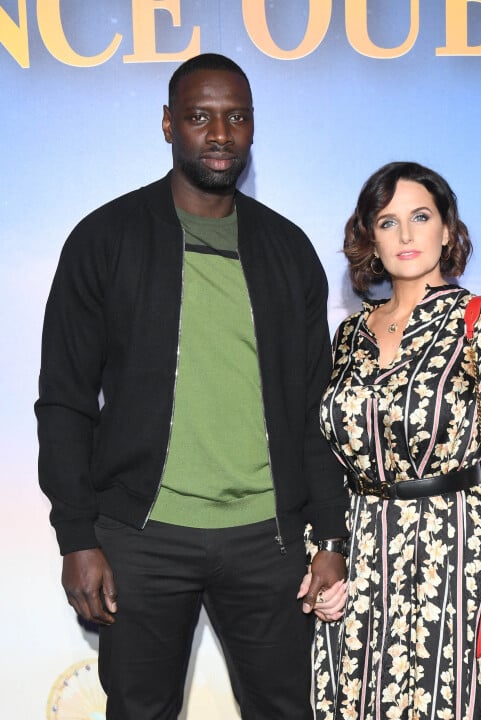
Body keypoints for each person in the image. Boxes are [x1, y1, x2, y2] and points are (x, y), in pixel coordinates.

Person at [35, 53, 349, 720]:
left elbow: (312, 408)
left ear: (253, 128)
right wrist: (76, 537)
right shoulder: (105, 239)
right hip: (142, 542)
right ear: (168, 124)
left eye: (236, 117)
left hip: (269, 540)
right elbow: (64, 401)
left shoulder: (288, 251)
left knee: (289, 710)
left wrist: (331, 537)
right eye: (199, 116)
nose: (219, 133)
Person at [309, 161, 481, 719]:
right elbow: (324, 456)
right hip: (364, 559)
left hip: (456, 556)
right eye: (388, 222)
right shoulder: (348, 335)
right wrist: (322, 550)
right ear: (370, 237)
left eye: (421, 217)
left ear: (447, 230)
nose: (407, 235)